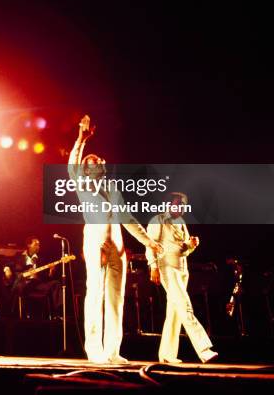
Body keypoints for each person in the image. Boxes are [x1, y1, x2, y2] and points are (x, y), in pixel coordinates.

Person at [69, 115, 162, 364]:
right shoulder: (82, 185)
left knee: (115, 297)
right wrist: (81, 140)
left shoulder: (112, 188)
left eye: (101, 160)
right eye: (96, 161)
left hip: (117, 246)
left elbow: (127, 217)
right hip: (95, 241)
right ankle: (95, 350)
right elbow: (72, 165)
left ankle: (112, 350)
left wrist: (148, 242)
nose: (102, 161)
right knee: (95, 293)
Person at [146, 192, 217, 363]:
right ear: (168, 204)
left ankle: (166, 354)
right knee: (185, 308)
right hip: (167, 268)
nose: (183, 207)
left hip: (182, 269)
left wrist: (191, 245)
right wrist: (153, 266)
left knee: (175, 312)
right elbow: (151, 245)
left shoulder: (181, 222)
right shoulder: (158, 220)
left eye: (184, 204)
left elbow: (183, 248)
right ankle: (204, 350)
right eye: (179, 203)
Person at [3, 237, 62, 318]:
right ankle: (17, 313)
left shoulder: (41, 259)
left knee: (56, 284)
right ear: (28, 245)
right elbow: (7, 264)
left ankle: (57, 313)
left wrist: (51, 272)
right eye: (36, 244)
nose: (38, 246)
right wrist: (7, 269)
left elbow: (46, 277)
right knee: (19, 284)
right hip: (22, 283)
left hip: (37, 285)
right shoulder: (18, 256)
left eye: (39, 245)